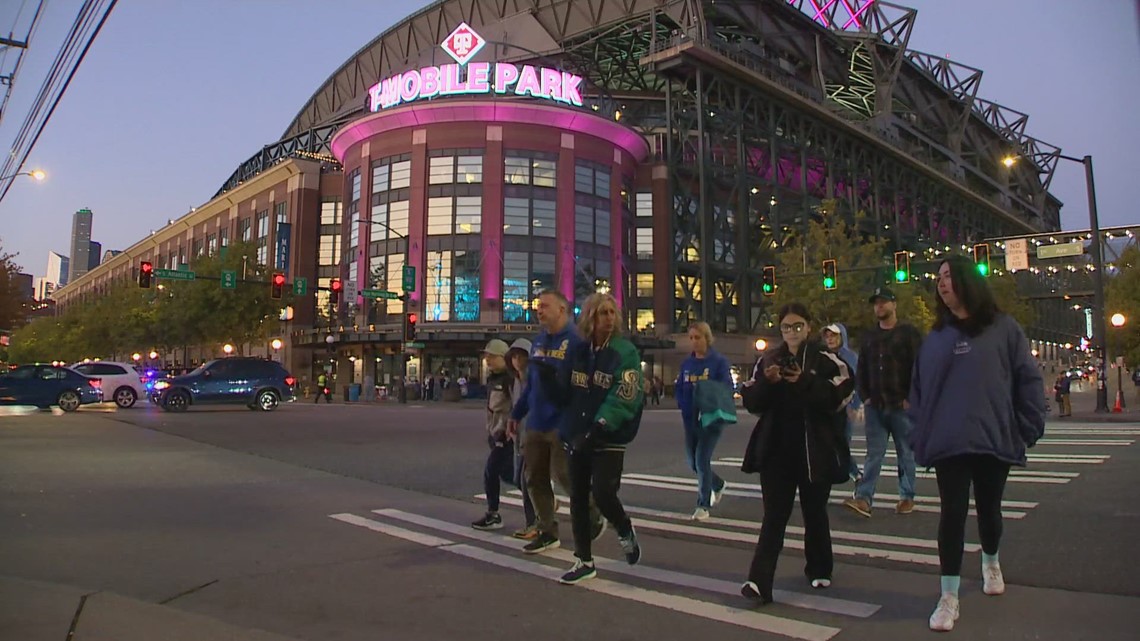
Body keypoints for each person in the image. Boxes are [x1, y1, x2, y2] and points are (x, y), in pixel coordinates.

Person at [908, 256, 1045, 632]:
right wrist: (918, 432)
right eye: (938, 278)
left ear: (968, 281)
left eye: (949, 276)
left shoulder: (1004, 329)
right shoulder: (935, 338)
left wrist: (1028, 426)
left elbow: (1026, 379)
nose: (941, 283)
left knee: (989, 511)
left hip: (992, 437)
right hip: (948, 441)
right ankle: (948, 597)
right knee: (951, 515)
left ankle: (990, 560)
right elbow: (918, 391)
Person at [739, 303, 854, 604]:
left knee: (815, 511)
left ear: (808, 327)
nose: (792, 332)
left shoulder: (827, 359)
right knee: (774, 516)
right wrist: (769, 382)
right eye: (787, 327)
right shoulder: (768, 359)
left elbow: (839, 396)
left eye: (798, 326)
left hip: (814, 447)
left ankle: (819, 566)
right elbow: (751, 399)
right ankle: (758, 581)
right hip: (777, 450)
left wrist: (804, 380)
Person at [538, 292, 644, 584]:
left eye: (612, 312)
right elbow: (564, 396)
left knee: (604, 493)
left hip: (607, 435)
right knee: (578, 498)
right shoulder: (579, 352)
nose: (609, 318)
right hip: (576, 434)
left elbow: (626, 395)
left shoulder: (625, 352)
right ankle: (583, 560)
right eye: (602, 313)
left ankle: (623, 527)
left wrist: (599, 426)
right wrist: (547, 378)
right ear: (590, 318)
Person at [507, 290, 603, 554]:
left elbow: (584, 386)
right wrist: (516, 415)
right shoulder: (538, 342)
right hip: (536, 423)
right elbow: (531, 385)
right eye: (538, 306)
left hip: (562, 423)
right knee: (534, 479)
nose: (539, 310)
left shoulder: (576, 342)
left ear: (562, 309)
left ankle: (594, 512)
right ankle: (547, 530)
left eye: (545, 306)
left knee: (566, 477)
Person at [843, 287, 923, 517]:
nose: (879, 306)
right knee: (873, 453)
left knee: (905, 453)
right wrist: (865, 396)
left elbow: (920, 367)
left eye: (884, 302)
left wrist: (912, 398)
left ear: (894, 305)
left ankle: (907, 497)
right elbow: (862, 370)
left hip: (901, 404)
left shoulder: (908, 333)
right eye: (876, 303)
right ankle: (864, 498)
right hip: (875, 405)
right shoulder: (870, 336)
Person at [675, 321, 734, 521]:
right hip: (690, 418)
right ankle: (717, 484)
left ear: (707, 338)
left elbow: (726, 387)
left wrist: (707, 394)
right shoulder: (687, 364)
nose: (694, 342)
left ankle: (703, 504)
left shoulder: (718, 362)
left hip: (711, 418)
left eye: (697, 337)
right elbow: (680, 387)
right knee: (693, 462)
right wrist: (683, 404)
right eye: (691, 338)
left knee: (702, 459)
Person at [471, 340, 519, 531]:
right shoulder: (493, 378)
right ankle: (543, 498)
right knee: (509, 475)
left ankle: (493, 514)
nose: (487, 359)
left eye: (491, 356)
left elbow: (515, 405)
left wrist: (507, 430)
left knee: (491, 471)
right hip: (495, 433)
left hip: (505, 435)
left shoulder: (510, 378)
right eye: (486, 355)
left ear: (503, 357)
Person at [822, 323, 863, 482]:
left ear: (842, 337)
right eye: (828, 336)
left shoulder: (850, 357)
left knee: (842, 443)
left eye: (834, 336)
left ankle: (856, 475)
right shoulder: (823, 355)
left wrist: (854, 406)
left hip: (845, 407)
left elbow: (857, 382)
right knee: (830, 443)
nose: (830, 339)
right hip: (828, 407)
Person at [506, 338, 538, 540]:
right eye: (514, 356)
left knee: (527, 481)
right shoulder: (517, 381)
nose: (518, 360)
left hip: (534, 435)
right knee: (521, 480)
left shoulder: (532, 379)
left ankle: (534, 523)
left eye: (521, 356)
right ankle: (544, 511)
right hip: (521, 436)